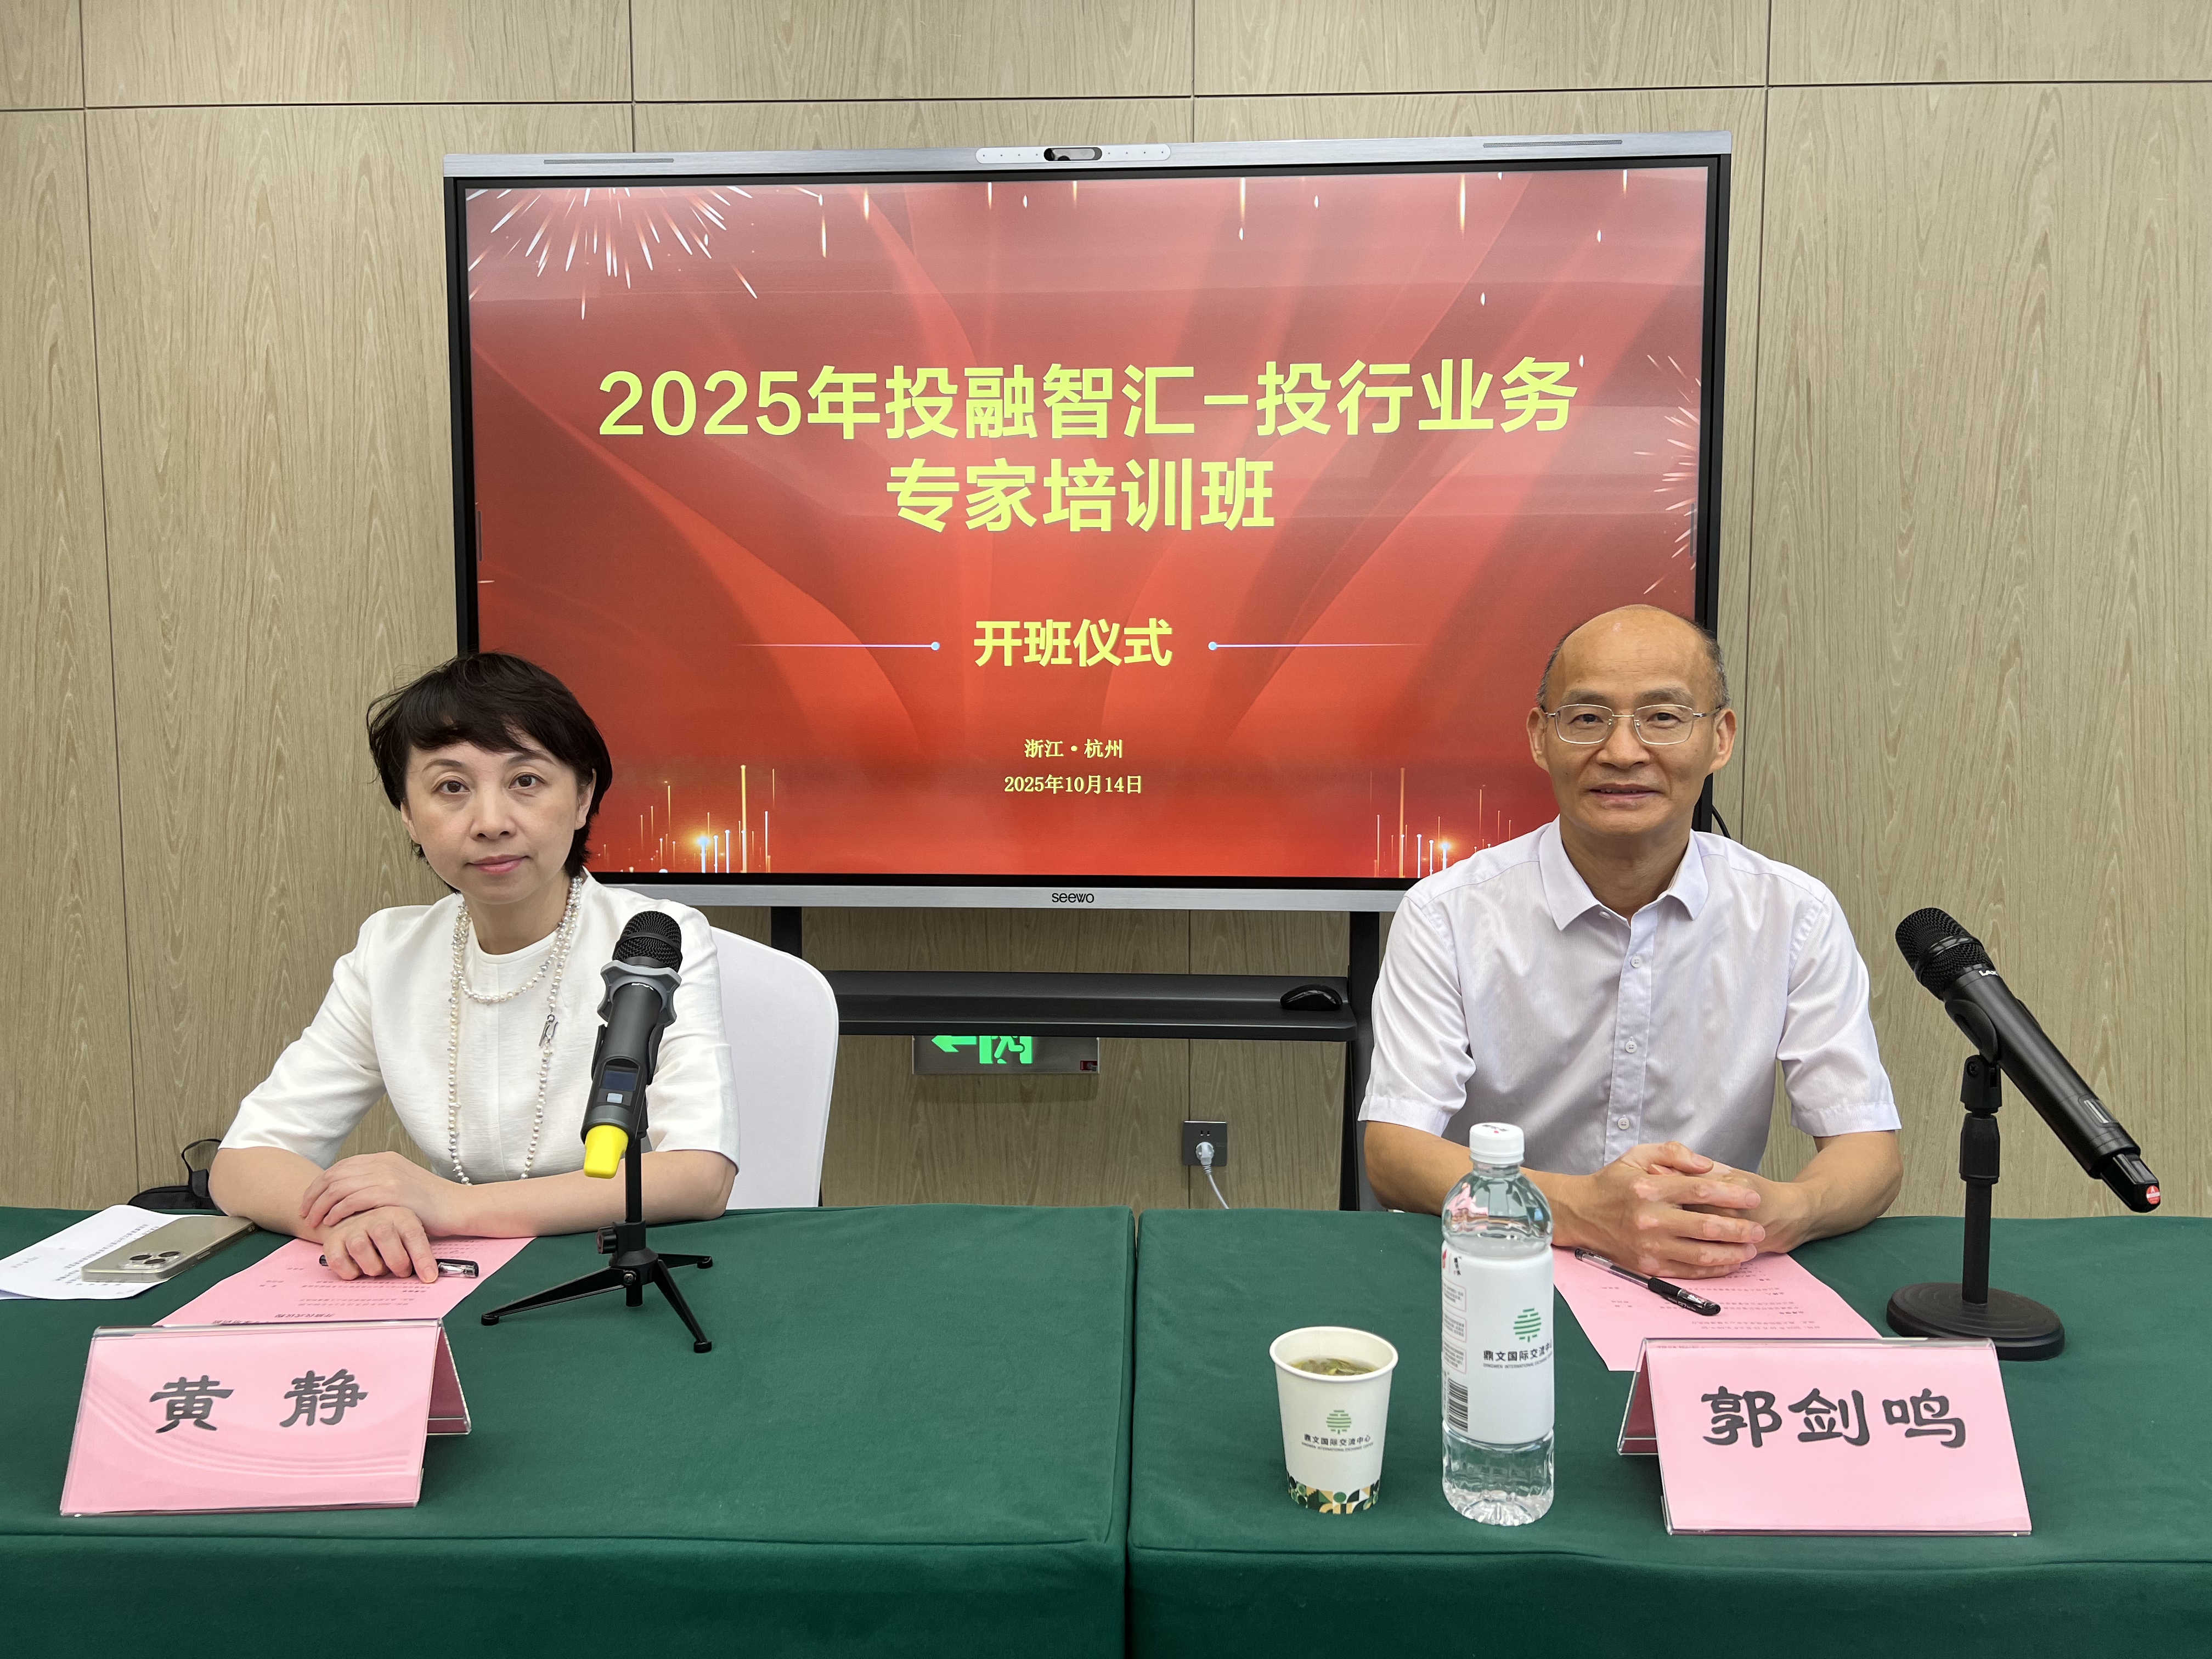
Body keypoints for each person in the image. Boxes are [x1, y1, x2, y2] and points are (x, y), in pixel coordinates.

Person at [1361, 606, 1901, 1278]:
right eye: (1587, 718)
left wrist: (1784, 1209)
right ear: (1541, 738)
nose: (1622, 752)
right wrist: (1580, 1211)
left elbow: (1868, 1150)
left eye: (1663, 717)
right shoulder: (1447, 913)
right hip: (1500, 1268)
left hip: (1706, 1271)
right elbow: (1394, 1151)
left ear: (1721, 738)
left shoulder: (1794, 914)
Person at [210, 653, 738, 1282]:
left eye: (526, 781)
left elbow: (700, 1175)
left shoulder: (654, 939)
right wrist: (351, 1221)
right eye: (452, 788)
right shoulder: (389, 952)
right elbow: (243, 1161)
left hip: (620, 1270)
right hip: (451, 1275)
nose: (490, 823)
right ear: (408, 814)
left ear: (582, 797)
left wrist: (452, 1206)